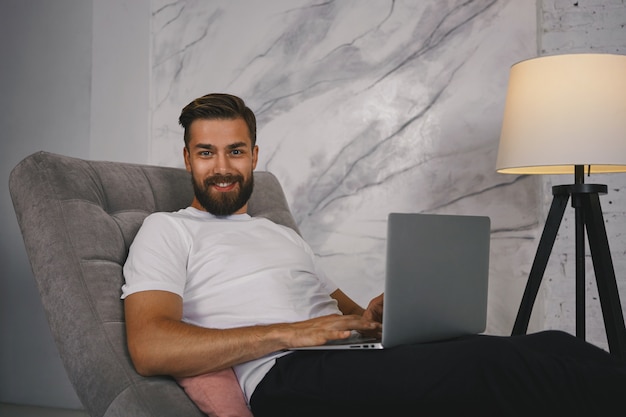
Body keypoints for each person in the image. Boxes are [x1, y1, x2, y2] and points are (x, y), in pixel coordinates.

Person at [122, 93, 626, 417]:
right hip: (284, 377)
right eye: (206, 153)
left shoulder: (279, 234)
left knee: (556, 343)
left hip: (350, 357)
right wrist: (292, 334)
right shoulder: (166, 231)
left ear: (255, 155)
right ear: (187, 159)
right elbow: (150, 345)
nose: (222, 167)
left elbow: (348, 314)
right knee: (486, 366)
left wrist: (381, 316)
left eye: (235, 150)